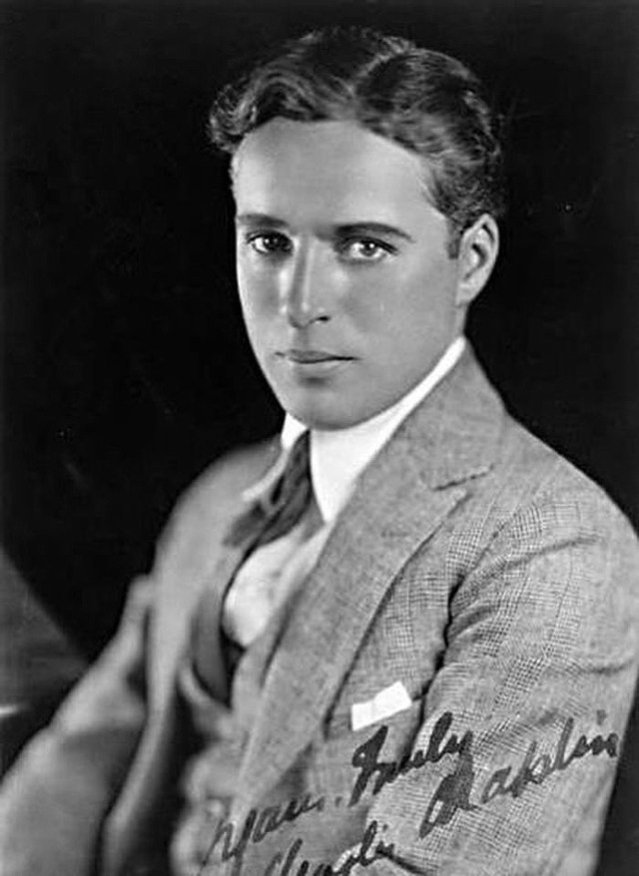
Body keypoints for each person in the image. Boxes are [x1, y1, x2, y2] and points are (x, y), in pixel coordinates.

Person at [1, 26, 638, 876]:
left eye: (362, 246)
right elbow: (88, 749)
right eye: (269, 242)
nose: (300, 302)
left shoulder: (552, 547)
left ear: (471, 260)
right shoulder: (223, 497)